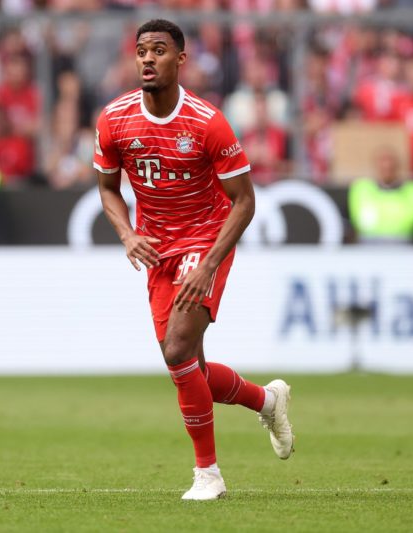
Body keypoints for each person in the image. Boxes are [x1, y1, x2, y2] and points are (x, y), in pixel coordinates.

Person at [93, 19, 294, 502]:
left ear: (180, 60)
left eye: (158, 50)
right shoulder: (114, 119)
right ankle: (266, 400)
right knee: (190, 369)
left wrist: (207, 263)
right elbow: (107, 189)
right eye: (141, 50)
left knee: (178, 350)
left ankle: (209, 475)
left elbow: (244, 202)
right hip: (158, 251)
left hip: (207, 240)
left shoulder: (208, 122)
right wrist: (127, 233)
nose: (147, 58)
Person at [348, 146, 413, 244]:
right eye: (382, 161)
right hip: (368, 246)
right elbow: (353, 221)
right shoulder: (361, 189)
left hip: (404, 245)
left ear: (398, 165)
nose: (387, 166)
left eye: (390, 161)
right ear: (375, 165)